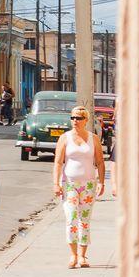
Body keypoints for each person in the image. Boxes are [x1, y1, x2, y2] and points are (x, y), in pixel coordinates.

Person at [53, 105, 105, 268]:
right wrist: (56, 183)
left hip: (88, 184)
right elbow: (58, 162)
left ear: (86, 120)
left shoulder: (93, 138)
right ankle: (73, 255)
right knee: (71, 218)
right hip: (69, 184)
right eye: (73, 118)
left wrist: (101, 182)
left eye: (78, 118)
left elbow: (100, 162)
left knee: (84, 220)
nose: (75, 121)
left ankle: (83, 256)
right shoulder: (65, 138)